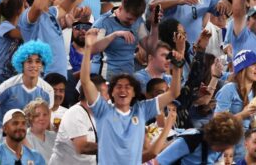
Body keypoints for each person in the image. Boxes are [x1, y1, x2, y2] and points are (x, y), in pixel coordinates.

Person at [78, 26, 182, 165]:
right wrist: (88, 48)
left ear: (134, 93)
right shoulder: (103, 110)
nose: (123, 90)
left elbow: (174, 93)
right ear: (111, 92)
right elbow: (85, 81)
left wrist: (177, 68)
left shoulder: (142, 109)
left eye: (128, 87)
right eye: (118, 87)